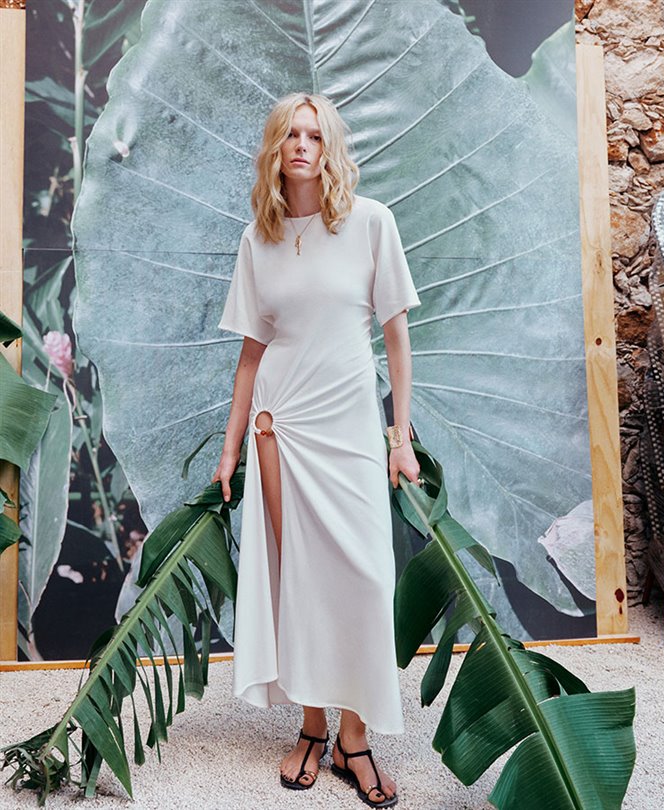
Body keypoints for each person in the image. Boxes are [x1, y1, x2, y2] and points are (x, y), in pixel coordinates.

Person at [212, 92, 422, 808]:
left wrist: (400, 437)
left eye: (314, 135)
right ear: (275, 150)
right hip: (281, 425)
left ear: (329, 148)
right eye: (290, 135)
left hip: (350, 424)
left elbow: (396, 338)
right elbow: (251, 352)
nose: (302, 145)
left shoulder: (370, 222)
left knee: (365, 577)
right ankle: (310, 726)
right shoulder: (258, 238)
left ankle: (353, 740)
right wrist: (231, 447)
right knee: (296, 578)